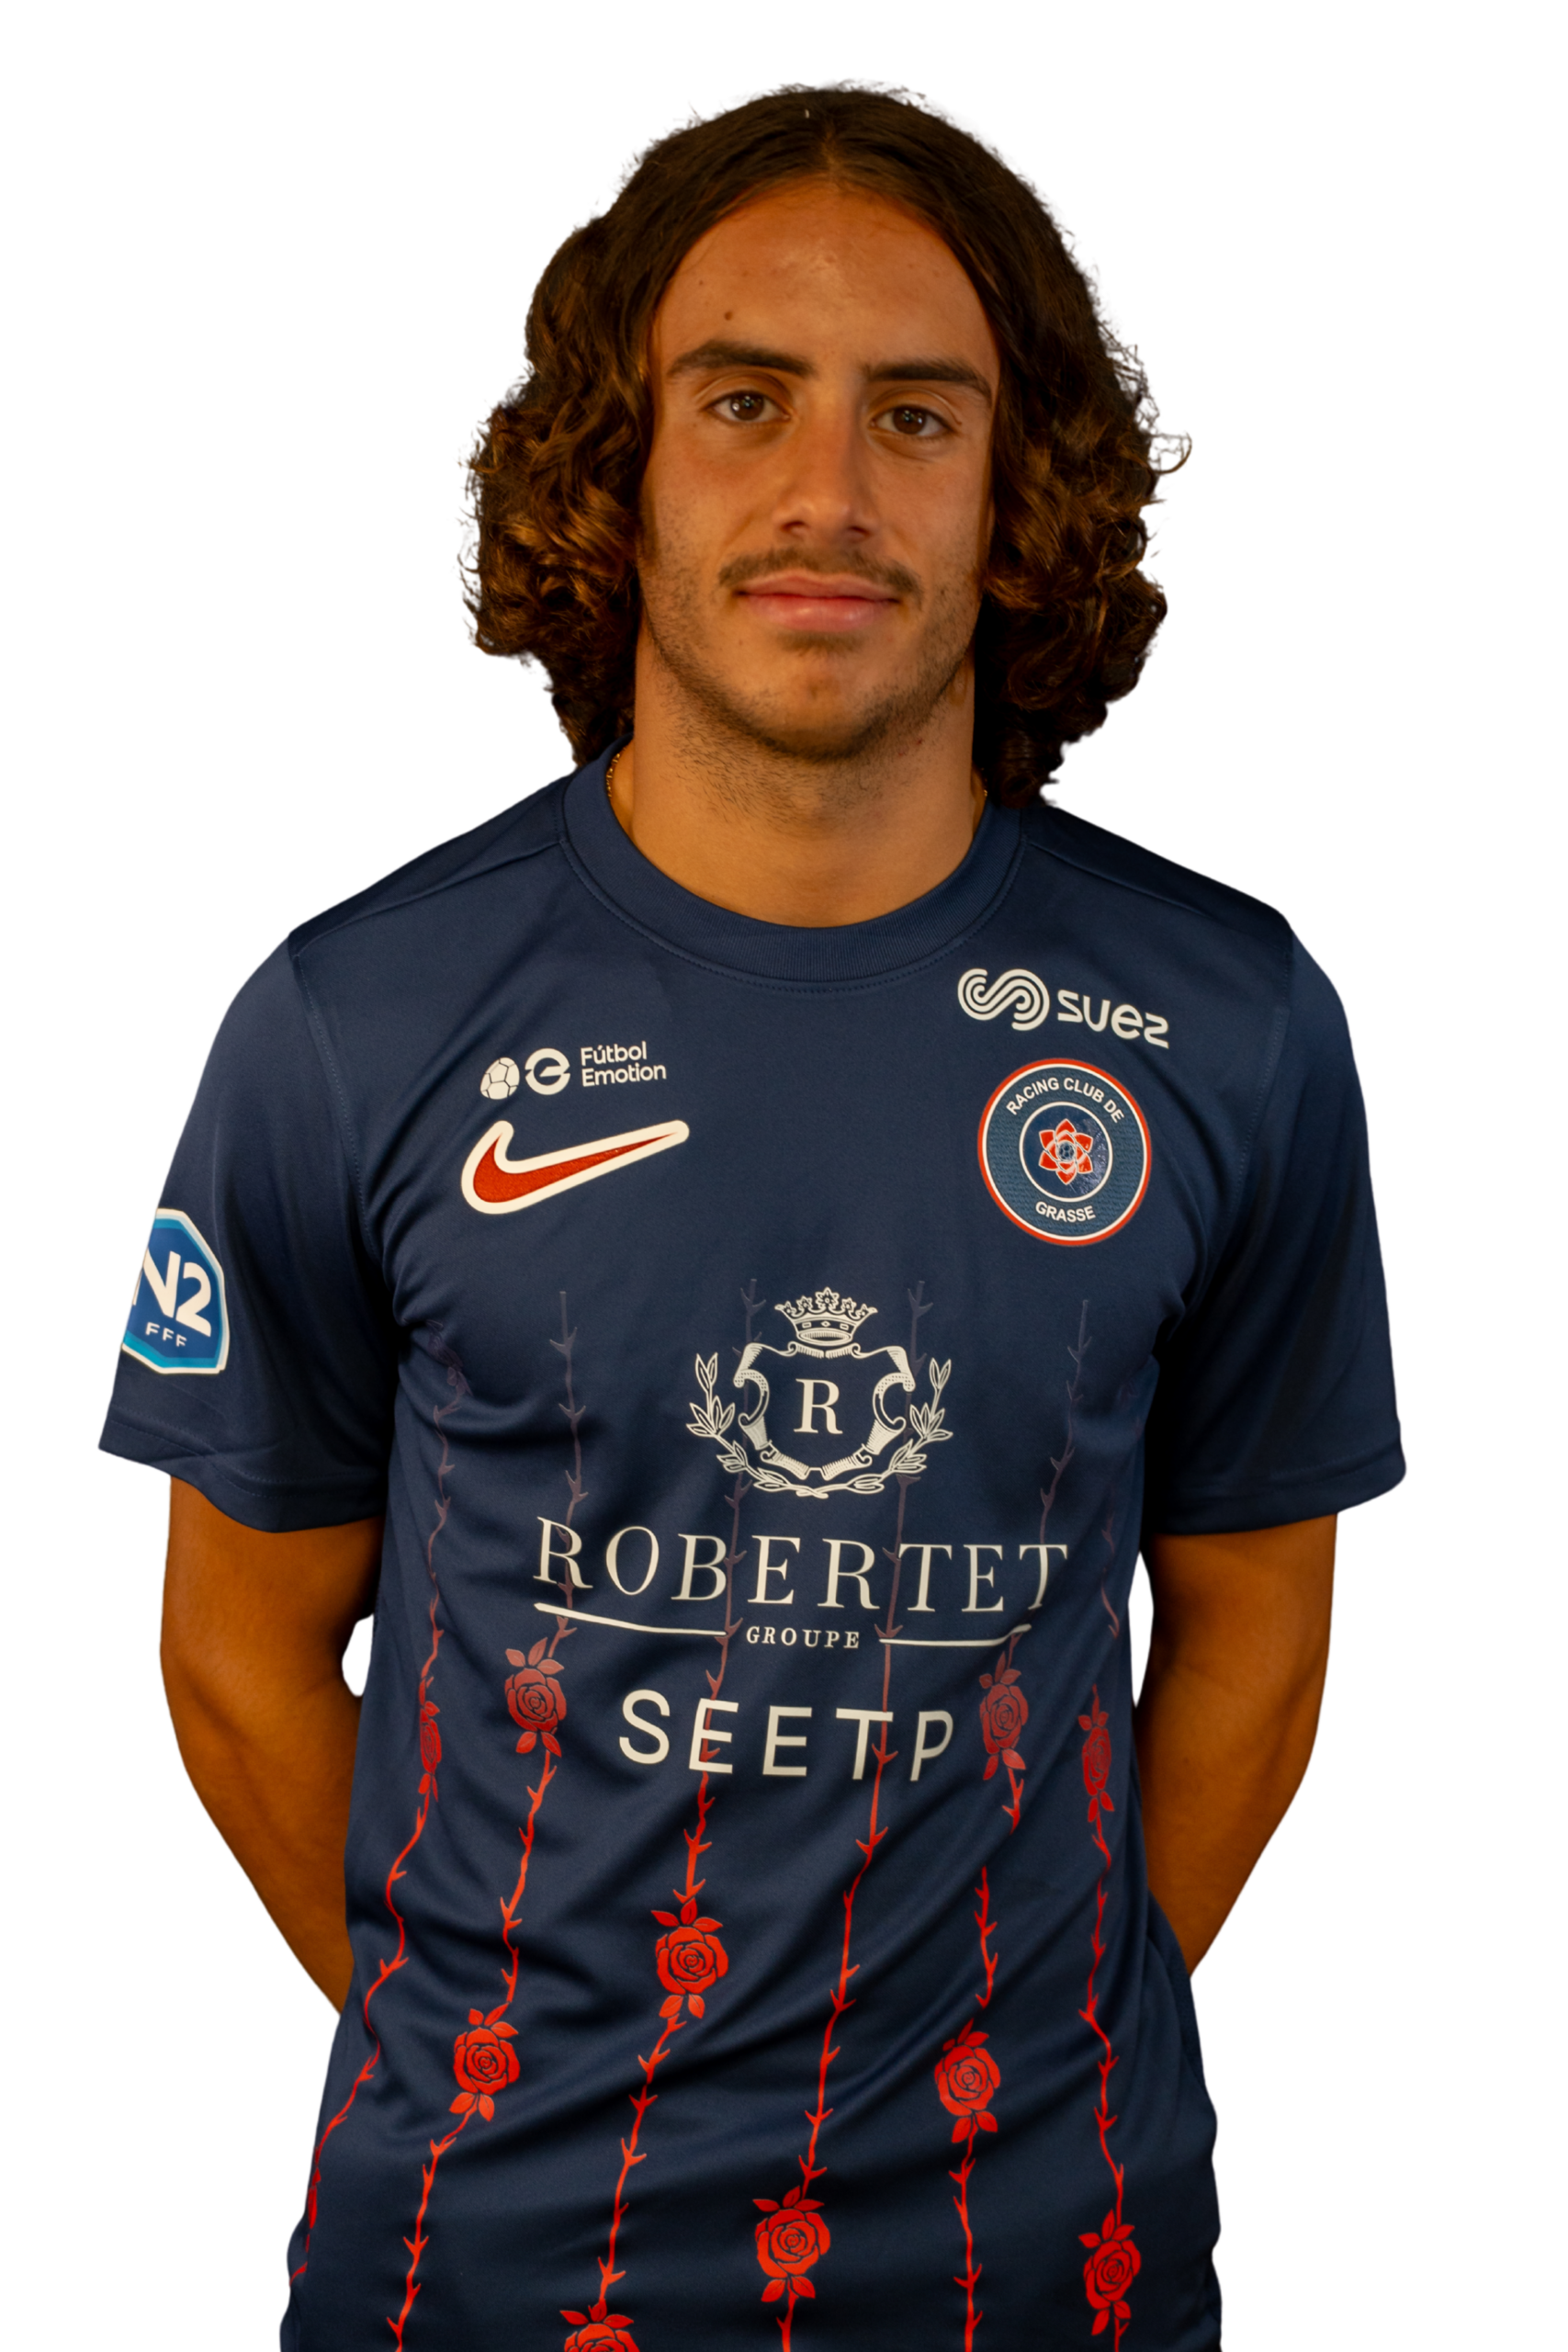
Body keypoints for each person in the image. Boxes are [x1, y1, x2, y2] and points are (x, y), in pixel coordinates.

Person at [101, 80, 1404, 2351]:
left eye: (917, 414)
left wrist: (1035, 2056)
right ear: (615, 470)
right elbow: (233, 1654)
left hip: (1051, 2275)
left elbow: (1258, 1644)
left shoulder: (1233, 1024)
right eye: (741, 399)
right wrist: (481, 2054)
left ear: (1017, 493)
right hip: (494, 2275)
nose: (829, 492)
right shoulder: (347, 1018)